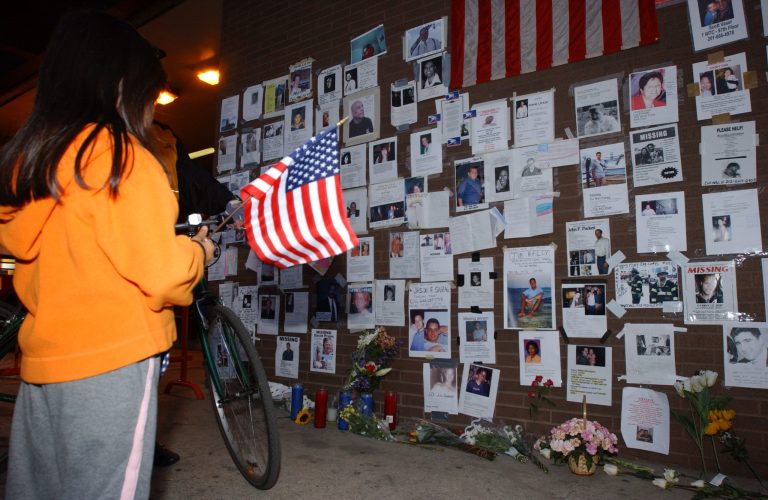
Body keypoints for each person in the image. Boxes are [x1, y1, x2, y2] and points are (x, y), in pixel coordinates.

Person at [0, 11, 215, 499]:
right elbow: (161, 274)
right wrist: (197, 251)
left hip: (43, 362)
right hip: (114, 361)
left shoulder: (33, 164)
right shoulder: (122, 158)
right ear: (121, 86)